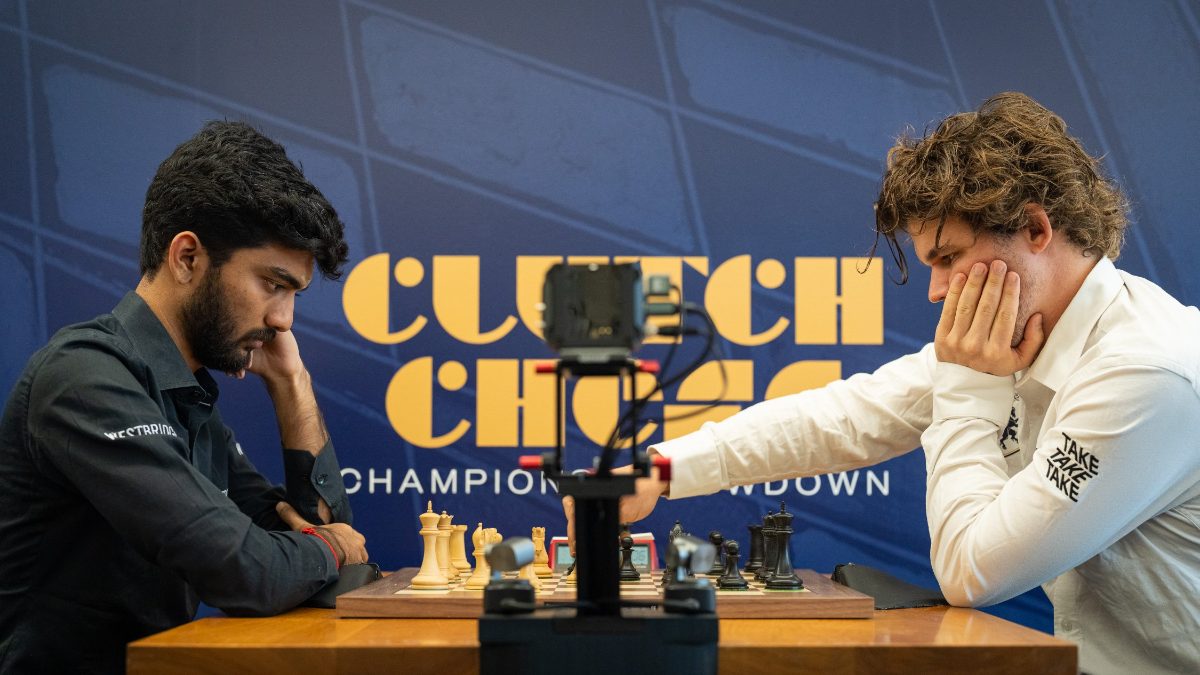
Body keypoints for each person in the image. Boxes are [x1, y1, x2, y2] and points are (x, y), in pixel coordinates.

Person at [564, 92, 1199, 674]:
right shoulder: (1019, 337)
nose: (936, 290)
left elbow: (971, 573)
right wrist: (659, 469)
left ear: (1036, 229)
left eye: (949, 257)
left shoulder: (1143, 372)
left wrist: (967, 388)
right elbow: (850, 416)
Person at [0, 121, 369, 674]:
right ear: (188, 257)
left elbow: (327, 556)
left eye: (294, 293)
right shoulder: (84, 376)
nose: (283, 320)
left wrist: (293, 386)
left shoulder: (188, 401)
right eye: (273, 284)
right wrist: (332, 547)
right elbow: (245, 570)